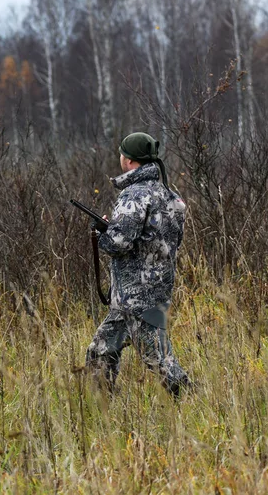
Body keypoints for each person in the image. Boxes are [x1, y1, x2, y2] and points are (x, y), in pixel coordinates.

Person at [86, 132, 191, 397]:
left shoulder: (133, 196)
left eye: (122, 153)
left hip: (136, 297)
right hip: (151, 292)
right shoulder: (171, 197)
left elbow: (119, 244)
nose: (120, 157)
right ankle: (101, 409)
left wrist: (102, 234)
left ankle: (190, 400)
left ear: (130, 160)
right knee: (100, 350)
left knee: (158, 358)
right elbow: (163, 241)